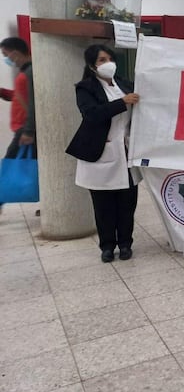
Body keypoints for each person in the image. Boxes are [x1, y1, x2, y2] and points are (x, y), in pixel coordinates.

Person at [65, 45, 140, 263]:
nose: (108, 63)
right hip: (101, 152)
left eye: (110, 58)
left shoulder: (125, 84)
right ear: (91, 65)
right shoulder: (85, 88)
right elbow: (92, 114)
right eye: (101, 60)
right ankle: (107, 246)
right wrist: (121, 103)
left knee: (127, 203)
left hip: (126, 152)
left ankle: (125, 243)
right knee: (104, 205)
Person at [0, 37, 35, 159]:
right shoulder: (24, 73)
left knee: (11, 166)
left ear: (15, 53)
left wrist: (29, 131)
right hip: (23, 128)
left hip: (24, 129)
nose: (6, 59)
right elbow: (20, 96)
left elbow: (33, 103)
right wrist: (2, 92)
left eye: (6, 54)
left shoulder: (29, 72)